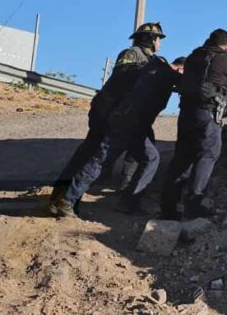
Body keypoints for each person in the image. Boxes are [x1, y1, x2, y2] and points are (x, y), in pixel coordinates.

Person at [48, 22, 166, 219]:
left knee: (143, 152)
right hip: (106, 114)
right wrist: (149, 69)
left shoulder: (151, 60)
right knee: (90, 156)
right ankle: (61, 198)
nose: (159, 43)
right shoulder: (132, 54)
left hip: (124, 116)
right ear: (150, 39)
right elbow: (123, 73)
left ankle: (120, 196)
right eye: (158, 39)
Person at [160, 28, 227, 219]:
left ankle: (168, 208)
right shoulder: (225, 60)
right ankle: (194, 205)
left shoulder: (193, 57)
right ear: (226, 46)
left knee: (182, 158)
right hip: (207, 115)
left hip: (186, 114)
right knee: (208, 154)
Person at [107, 55, 185, 215]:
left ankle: (125, 188)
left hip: (127, 118)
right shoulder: (166, 74)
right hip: (134, 122)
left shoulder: (155, 70)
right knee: (151, 158)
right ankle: (128, 201)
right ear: (181, 69)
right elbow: (186, 83)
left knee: (131, 152)